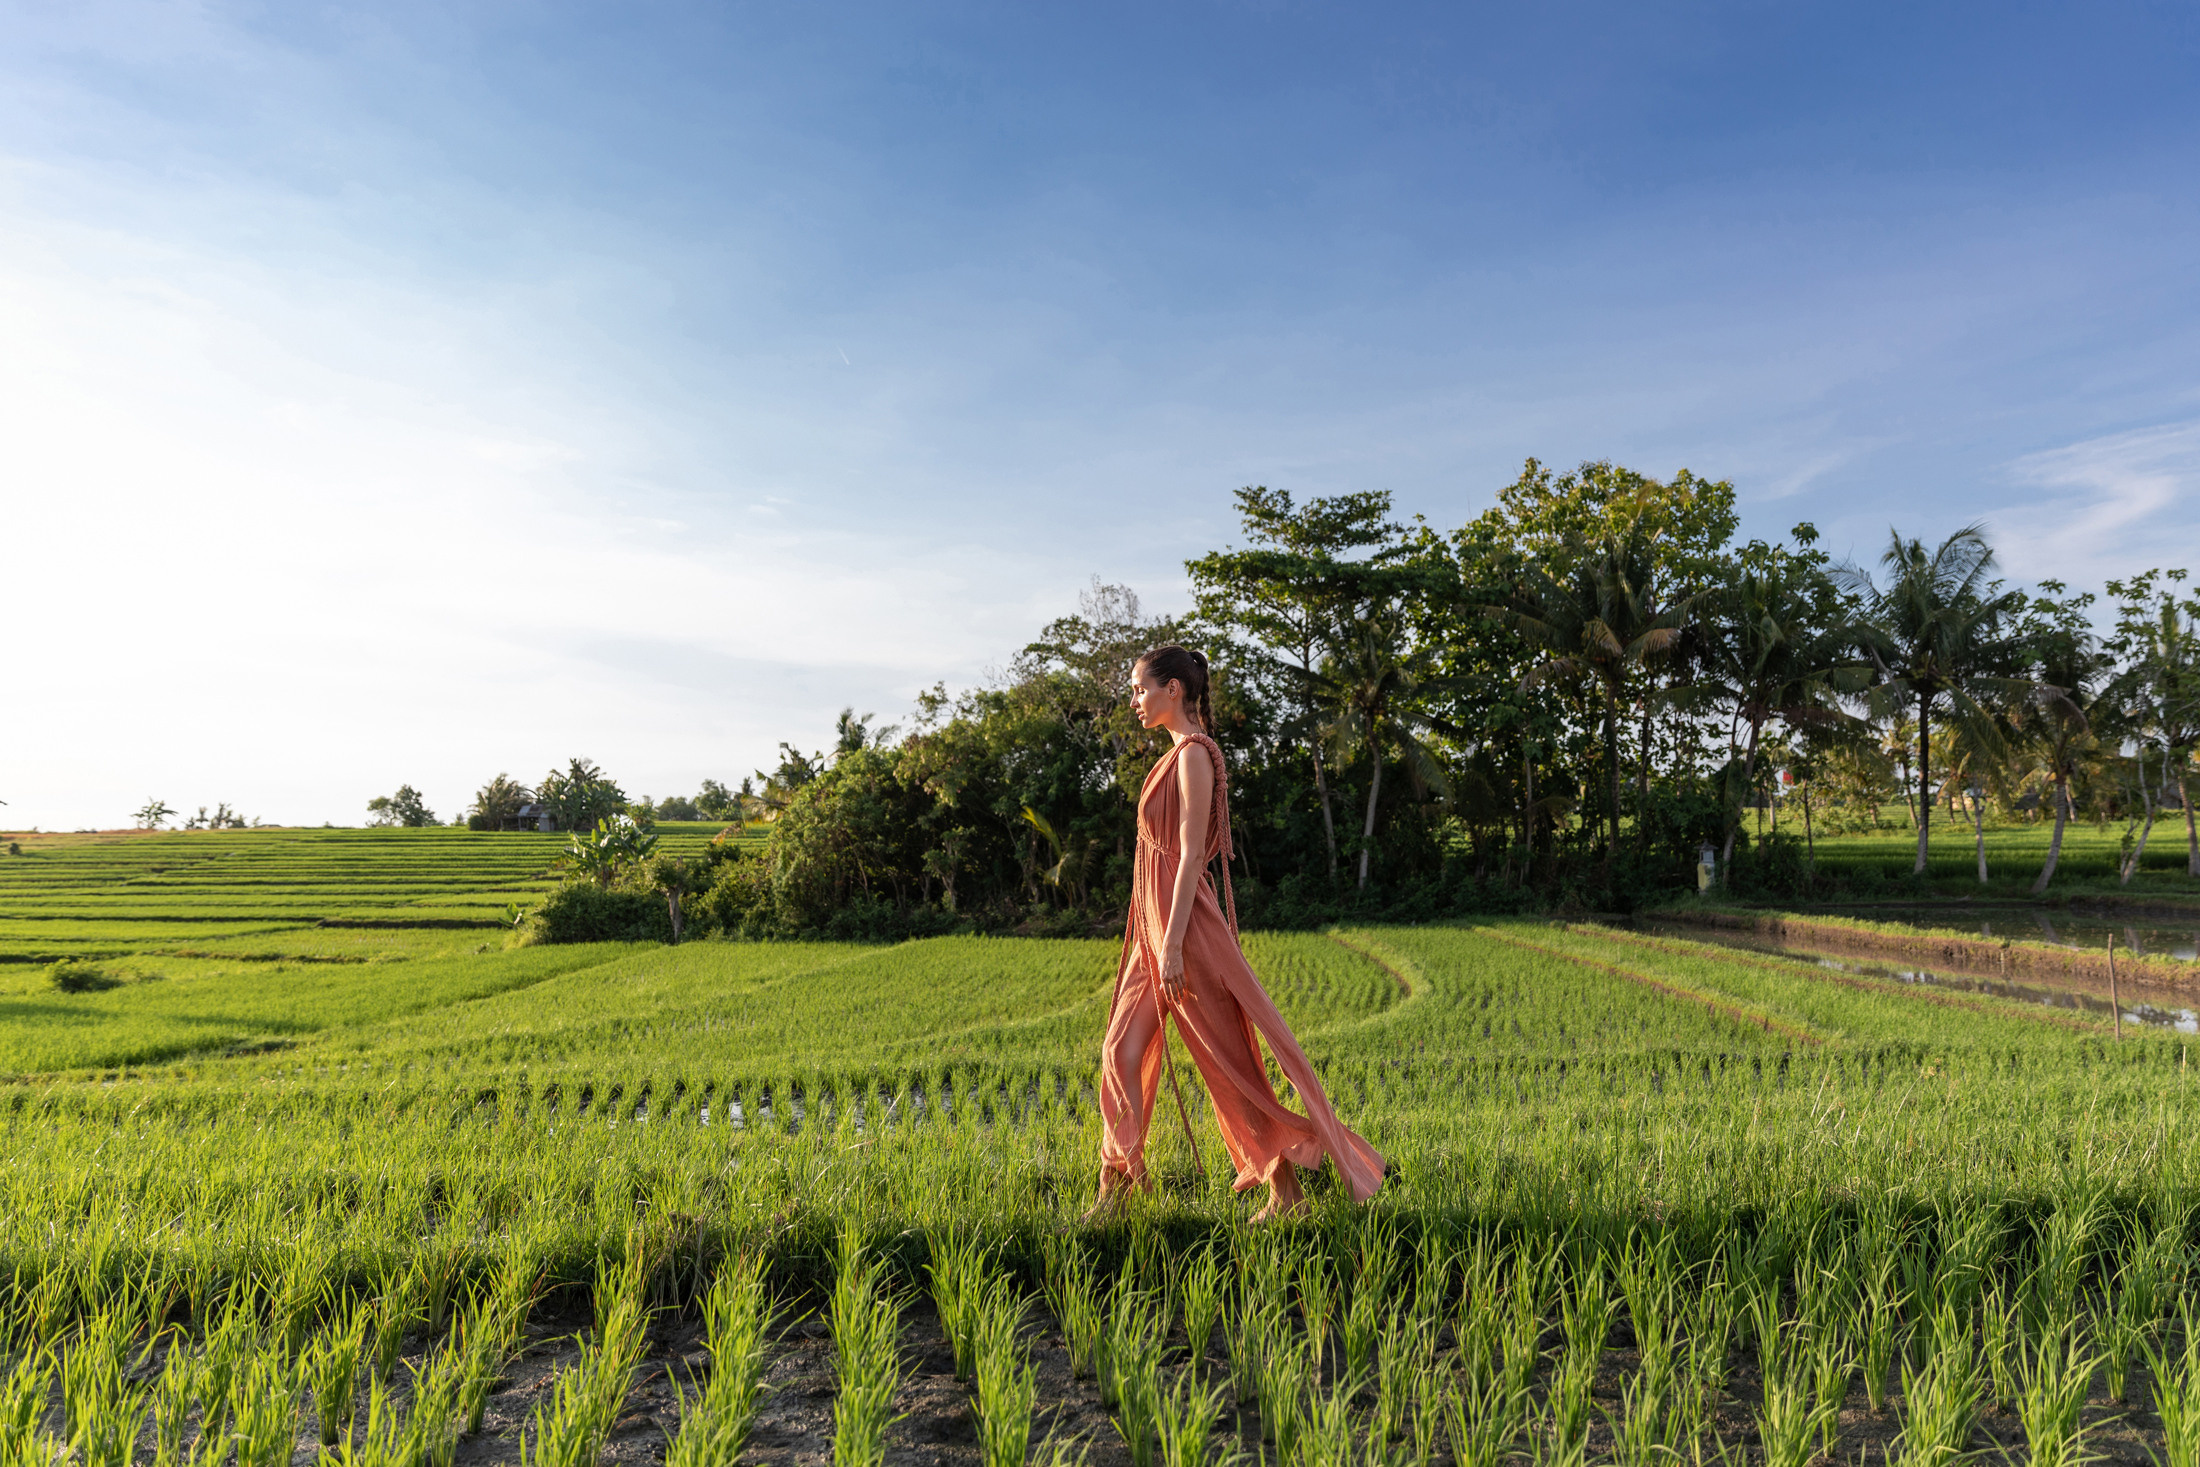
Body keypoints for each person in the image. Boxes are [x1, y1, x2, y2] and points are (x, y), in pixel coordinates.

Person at [1091, 644, 1384, 1222]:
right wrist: (1158, 939)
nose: (1134, 700)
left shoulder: (1195, 755)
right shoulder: (1170, 757)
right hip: (1155, 931)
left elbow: (1193, 855)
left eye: (1140, 688)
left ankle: (1285, 1193)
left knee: (1228, 1061)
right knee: (1120, 1050)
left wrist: (1173, 942)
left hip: (1184, 931)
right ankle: (1119, 1184)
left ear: (1173, 689)